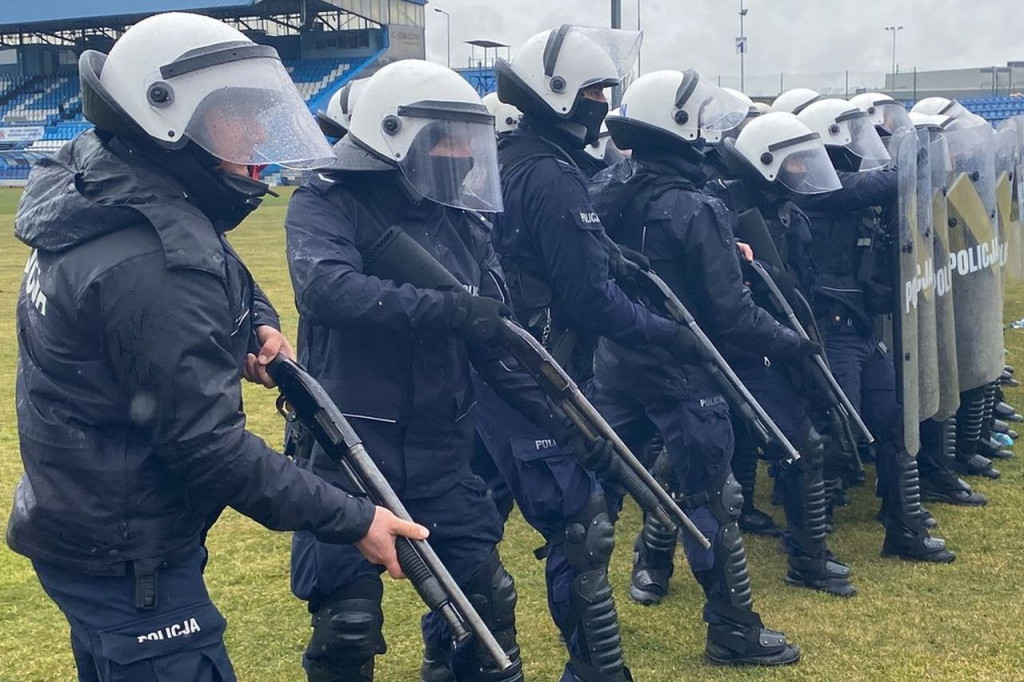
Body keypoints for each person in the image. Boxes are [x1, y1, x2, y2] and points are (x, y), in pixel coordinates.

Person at [7, 13, 428, 682]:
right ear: (168, 118)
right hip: (129, 553)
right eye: (238, 115)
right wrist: (355, 520)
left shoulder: (110, 187)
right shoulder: (158, 263)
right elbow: (209, 449)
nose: (258, 135)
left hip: (85, 523)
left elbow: (215, 261)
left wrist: (254, 320)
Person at [285, 58, 612, 682]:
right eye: (448, 139)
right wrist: (451, 310)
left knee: (490, 606)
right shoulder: (326, 202)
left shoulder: (460, 220)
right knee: (346, 628)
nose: (463, 154)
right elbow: (325, 290)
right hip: (349, 457)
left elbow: (493, 348)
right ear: (395, 134)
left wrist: (567, 426)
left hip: (442, 459)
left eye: (468, 140)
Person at [479, 25, 709, 681]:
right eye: (593, 91)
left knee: (475, 525)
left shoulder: (505, 159)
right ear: (555, 92)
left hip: (490, 372)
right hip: (539, 374)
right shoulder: (552, 175)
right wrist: (669, 332)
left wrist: (618, 260)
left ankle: (452, 657)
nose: (602, 104)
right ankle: (595, 671)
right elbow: (591, 302)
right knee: (581, 528)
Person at [795, 98, 956, 561]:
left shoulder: (851, 189)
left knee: (894, 422)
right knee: (834, 433)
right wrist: (914, 158)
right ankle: (810, 543)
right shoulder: (815, 189)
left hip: (861, 329)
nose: (863, 143)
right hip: (831, 330)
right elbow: (880, 183)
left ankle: (903, 527)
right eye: (853, 133)